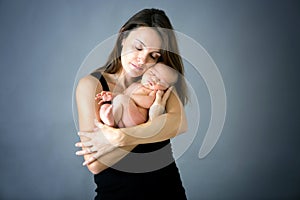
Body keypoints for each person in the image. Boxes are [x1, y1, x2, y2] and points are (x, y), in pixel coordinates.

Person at [75, 8, 188, 200]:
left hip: (168, 192)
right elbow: (95, 163)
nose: (143, 60)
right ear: (123, 36)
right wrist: (152, 125)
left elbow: (179, 124)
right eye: (138, 47)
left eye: (154, 55)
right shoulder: (92, 85)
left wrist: (121, 138)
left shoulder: (158, 80)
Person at [96, 62, 178, 128]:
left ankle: (112, 118)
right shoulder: (136, 84)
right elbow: (123, 94)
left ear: (165, 88)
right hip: (124, 113)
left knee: (120, 99)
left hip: (136, 117)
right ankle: (110, 120)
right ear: (146, 71)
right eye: (152, 73)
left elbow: (148, 103)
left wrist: (127, 97)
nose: (154, 79)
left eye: (161, 81)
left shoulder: (153, 92)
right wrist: (112, 95)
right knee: (105, 107)